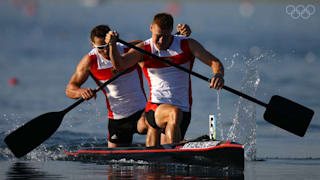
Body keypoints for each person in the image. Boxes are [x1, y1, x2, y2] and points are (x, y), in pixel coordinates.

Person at [106, 12, 224, 147]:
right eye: (158, 36)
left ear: (171, 32)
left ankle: (171, 151)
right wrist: (112, 45)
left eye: (166, 37)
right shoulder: (144, 49)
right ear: (151, 28)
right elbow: (120, 65)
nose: (161, 41)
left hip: (184, 111)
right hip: (155, 108)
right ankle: (175, 150)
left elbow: (215, 63)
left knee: (166, 145)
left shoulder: (187, 45)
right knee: (174, 113)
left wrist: (218, 75)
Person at [65, 24, 191, 148]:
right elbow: (70, 89)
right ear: (93, 45)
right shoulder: (89, 61)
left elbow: (158, 45)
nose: (106, 50)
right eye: (101, 47)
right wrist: (81, 92)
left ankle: (169, 147)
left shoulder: (129, 49)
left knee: (155, 122)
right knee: (114, 165)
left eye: (108, 45)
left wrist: (178, 36)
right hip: (117, 119)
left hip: (141, 113)